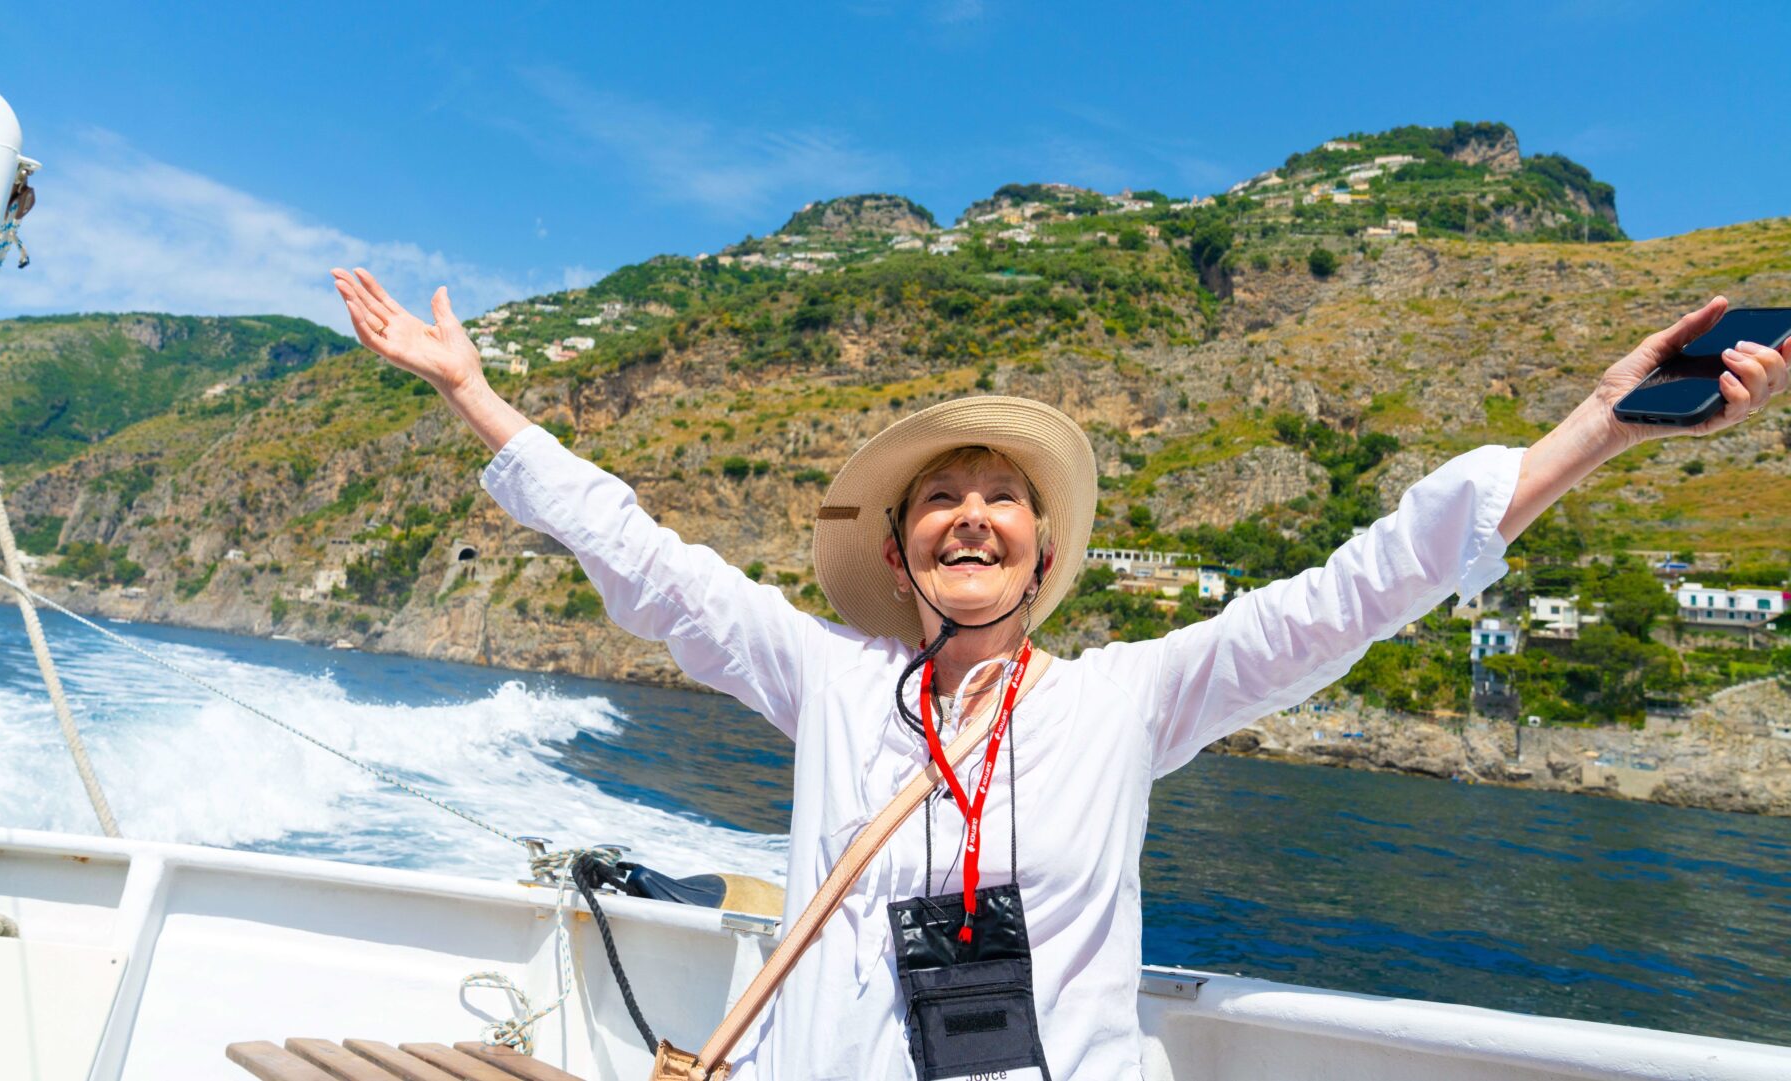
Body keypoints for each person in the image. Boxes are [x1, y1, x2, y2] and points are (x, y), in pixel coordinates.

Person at [332, 268, 1785, 1080]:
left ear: (1039, 554)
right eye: (942, 497)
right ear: (900, 556)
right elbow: (643, 557)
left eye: (1002, 495)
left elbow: (1362, 589)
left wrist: (1598, 421)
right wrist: (473, 392)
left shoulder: (1123, 698)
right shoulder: (830, 681)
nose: (973, 509)